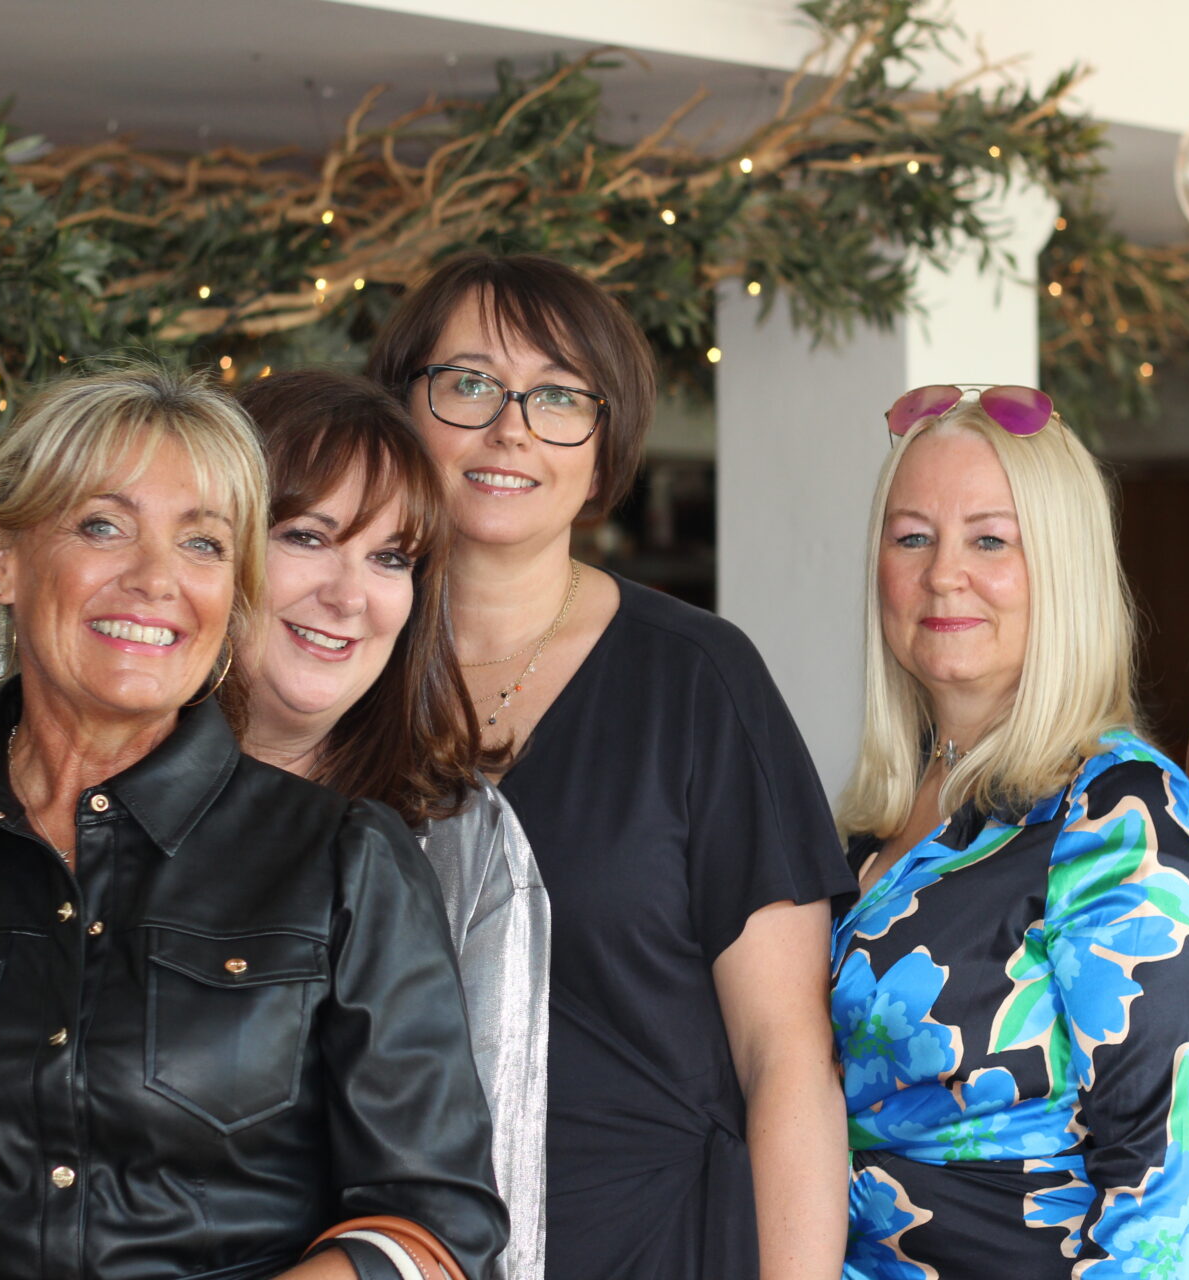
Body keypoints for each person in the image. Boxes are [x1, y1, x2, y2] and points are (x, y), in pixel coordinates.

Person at [0, 366, 507, 1280]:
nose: (156, 581)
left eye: (203, 545)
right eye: (103, 527)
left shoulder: (344, 859)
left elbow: (432, 1217)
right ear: (2, 557)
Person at [369, 252, 856, 1279]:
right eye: (469, 384)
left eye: (558, 397)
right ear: (403, 408)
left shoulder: (698, 680)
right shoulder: (337, 665)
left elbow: (787, 1057)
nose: (510, 427)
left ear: (604, 442)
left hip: (656, 1243)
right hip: (387, 1249)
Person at [833, 385, 1189, 1279]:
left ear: (1063, 567)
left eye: (989, 539)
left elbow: (1162, 1191)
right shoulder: (873, 822)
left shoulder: (1116, 814)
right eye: (911, 538)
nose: (943, 573)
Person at [235, 369, 549, 1280]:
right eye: (306, 536)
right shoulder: (80, 801)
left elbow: (485, 1203)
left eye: (391, 558)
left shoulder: (458, 834)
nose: (349, 594)